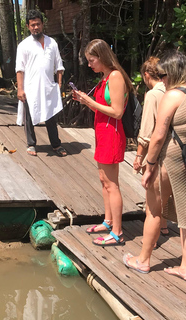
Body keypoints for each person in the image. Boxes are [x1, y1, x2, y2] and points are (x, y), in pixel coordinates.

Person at [123, 49, 186, 278]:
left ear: (174, 71)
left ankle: (143, 260)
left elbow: (158, 135)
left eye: (164, 75)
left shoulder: (173, 95)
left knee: (154, 211)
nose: (162, 80)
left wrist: (149, 164)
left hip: (170, 159)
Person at [72, 39, 133, 246]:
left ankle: (117, 232)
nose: (89, 65)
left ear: (103, 57)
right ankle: (108, 221)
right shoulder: (104, 77)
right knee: (103, 181)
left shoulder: (115, 76)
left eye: (92, 60)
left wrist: (89, 101)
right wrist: (85, 101)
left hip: (112, 134)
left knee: (112, 184)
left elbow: (117, 112)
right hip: (102, 133)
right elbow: (100, 109)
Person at [16, 9, 67, 157]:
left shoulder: (52, 43)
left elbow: (59, 66)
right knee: (30, 116)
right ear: (28, 26)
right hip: (30, 87)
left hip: (48, 86)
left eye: (38, 24)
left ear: (42, 24)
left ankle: (56, 144)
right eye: (32, 25)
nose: (35, 27)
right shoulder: (24, 46)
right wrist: (20, 89)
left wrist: (58, 84)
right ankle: (31, 144)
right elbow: (19, 69)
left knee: (51, 116)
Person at [132, 56, 168, 241]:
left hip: (155, 153)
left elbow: (146, 132)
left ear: (146, 75)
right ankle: (164, 227)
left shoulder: (153, 94)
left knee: (151, 199)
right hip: (172, 152)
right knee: (162, 193)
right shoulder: (172, 90)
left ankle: (150, 241)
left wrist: (139, 156)